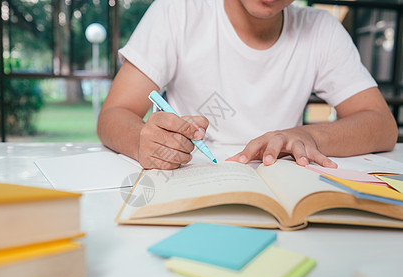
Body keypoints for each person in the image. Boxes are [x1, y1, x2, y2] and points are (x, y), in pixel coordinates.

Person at [97, 0, 398, 170]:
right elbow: (115, 112)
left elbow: (382, 126)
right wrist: (141, 140)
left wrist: (305, 135)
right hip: (192, 174)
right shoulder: (180, 10)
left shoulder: (321, 30)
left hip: (280, 181)